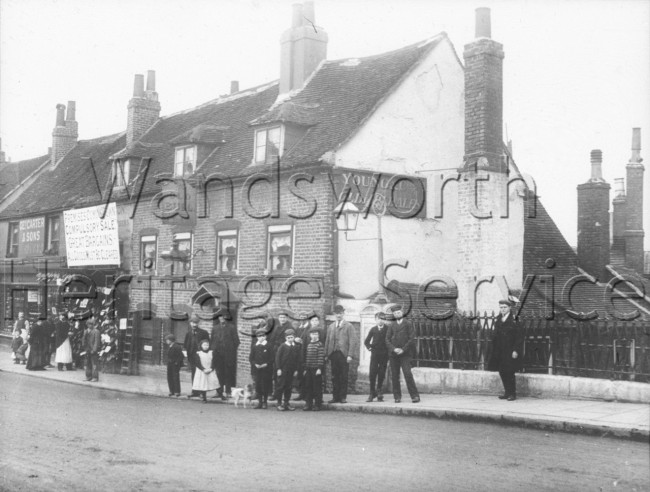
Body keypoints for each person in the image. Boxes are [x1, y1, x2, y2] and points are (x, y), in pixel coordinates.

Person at [488, 299, 524, 401]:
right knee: (502, 371)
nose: (502, 309)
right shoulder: (499, 319)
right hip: (499, 350)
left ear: (509, 308)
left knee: (510, 371)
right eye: (501, 307)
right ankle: (507, 392)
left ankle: (512, 394)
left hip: (510, 350)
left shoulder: (514, 319)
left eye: (505, 307)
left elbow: (519, 337)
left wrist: (516, 350)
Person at [385, 305, 420, 403]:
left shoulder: (408, 324)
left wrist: (403, 349)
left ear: (402, 312)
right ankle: (397, 397)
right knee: (394, 375)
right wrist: (394, 349)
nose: (397, 314)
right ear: (393, 314)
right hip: (394, 354)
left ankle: (414, 396)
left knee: (407, 374)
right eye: (395, 313)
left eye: (399, 312)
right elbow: (387, 339)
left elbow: (412, 339)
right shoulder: (391, 325)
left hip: (405, 354)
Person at [325, 305, 358, 404]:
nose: (338, 315)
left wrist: (350, 355)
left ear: (343, 314)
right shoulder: (331, 326)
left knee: (343, 376)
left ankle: (343, 397)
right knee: (334, 376)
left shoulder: (349, 326)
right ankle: (335, 397)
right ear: (334, 314)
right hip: (333, 354)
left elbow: (353, 341)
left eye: (340, 313)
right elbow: (327, 341)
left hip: (344, 355)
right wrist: (326, 354)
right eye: (337, 313)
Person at [210, 309, 240, 400]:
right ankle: (219, 392)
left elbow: (236, 341)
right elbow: (212, 341)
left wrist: (230, 351)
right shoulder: (215, 328)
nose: (221, 318)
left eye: (223, 317)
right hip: (218, 354)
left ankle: (228, 391)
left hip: (228, 354)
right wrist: (214, 349)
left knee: (228, 372)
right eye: (220, 316)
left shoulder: (231, 327)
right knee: (219, 373)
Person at [274, 329, 302, 411]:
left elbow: (298, 360)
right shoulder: (282, 346)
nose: (290, 339)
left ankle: (286, 403)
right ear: (286, 338)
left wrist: (296, 370)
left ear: (294, 337)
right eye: (288, 337)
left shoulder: (296, 347)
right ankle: (279, 403)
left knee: (288, 387)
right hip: (283, 370)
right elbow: (277, 358)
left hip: (291, 370)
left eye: (292, 337)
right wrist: (278, 369)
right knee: (280, 386)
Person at [364, 311, 389, 402]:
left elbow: (390, 342)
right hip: (375, 354)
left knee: (382, 373)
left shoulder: (388, 329)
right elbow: (366, 342)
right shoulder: (373, 329)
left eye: (382, 319)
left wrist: (388, 353)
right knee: (372, 372)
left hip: (384, 355)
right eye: (378, 319)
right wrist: (370, 349)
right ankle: (371, 392)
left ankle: (379, 391)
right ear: (375, 320)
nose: (380, 321)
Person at [183, 314, 210, 397]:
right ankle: (195, 391)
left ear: (198, 323)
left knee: (201, 373)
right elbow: (186, 344)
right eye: (192, 323)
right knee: (194, 373)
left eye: (196, 323)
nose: (194, 325)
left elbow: (207, 344)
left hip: (200, 356)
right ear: (190, 323)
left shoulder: (203, 333)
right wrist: (186, 352)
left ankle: (202, 392)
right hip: (191, 356)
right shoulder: (188, 333)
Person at [250, 327, 274, 409]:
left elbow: (272, 358)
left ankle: (265, 402)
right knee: (258, 386)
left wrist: (266, 364)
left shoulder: (269, 345)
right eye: (259, 336)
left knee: (265, 386)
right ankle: (260, 402)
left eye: (263, 336)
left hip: (266, 370)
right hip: (257, 369)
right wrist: (255, 364)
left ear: (265, 336)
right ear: (257, 337)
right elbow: (251, 358)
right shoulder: (255, 346)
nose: (261, 338)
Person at [303, 327, 325, 411]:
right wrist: (305, 369)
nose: (314, 336)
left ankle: (317, 404)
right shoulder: (309, 344)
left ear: (318, 335)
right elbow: (307, 357)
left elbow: (320, 357)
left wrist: (319, 368)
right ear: (310, 335)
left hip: (316, 369)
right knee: (308, 386)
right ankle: (308, 403)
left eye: (316, 334)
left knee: (317, 387)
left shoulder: (320, 344)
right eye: (312, 334)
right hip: (309, 369)